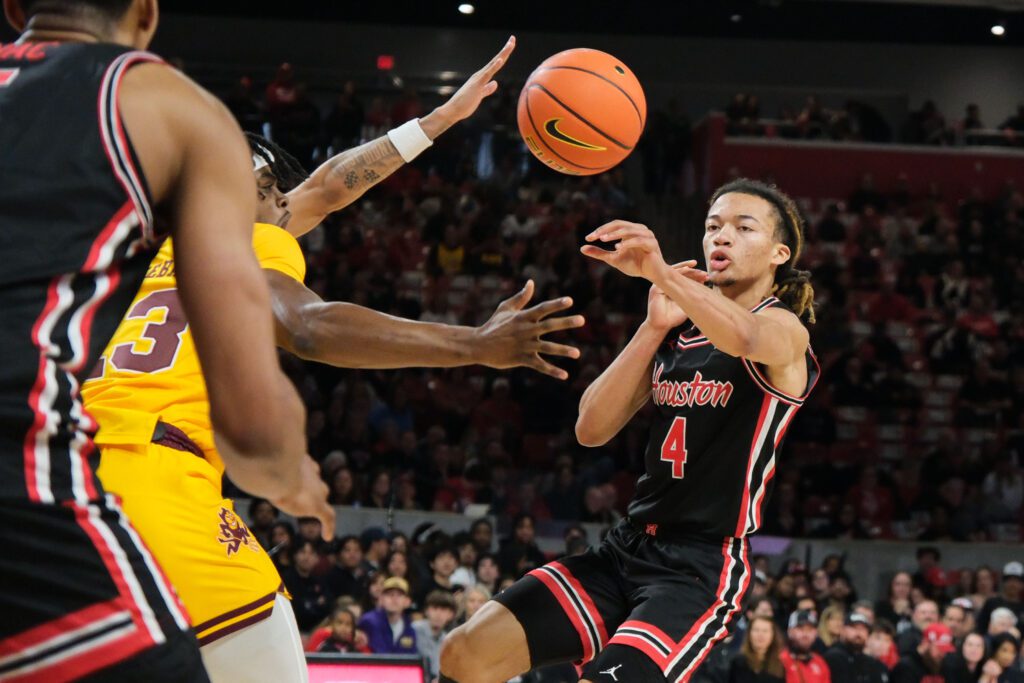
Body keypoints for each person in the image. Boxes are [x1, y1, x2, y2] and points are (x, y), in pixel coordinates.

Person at [81, 32, 583, 682]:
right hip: (157, 482)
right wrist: (474, 343)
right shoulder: (246, 241)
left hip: (68, 478)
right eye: (272, 190)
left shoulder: (143, 255)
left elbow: (327, 188)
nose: (287, 202)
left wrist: (437, 121)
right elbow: (310, 327)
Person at [0, 1, 324, 680]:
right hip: (33, 476)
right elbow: (261, 420)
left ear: (13, 9)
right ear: (146, 14)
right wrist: (289, 474)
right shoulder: (163, 107)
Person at [442, 178, 819, 683]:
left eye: (742, 228)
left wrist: (659, 270)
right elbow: (590, 429)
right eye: (713, 226)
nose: (721, 236)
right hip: (626, 546)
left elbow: (744, 337)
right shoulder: (679, 333)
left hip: (698, 567)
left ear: (779, 253)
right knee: (464, 652)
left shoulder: (784, 328)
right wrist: (652, 327)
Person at [358, 577, 417, 655]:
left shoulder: (410, 628)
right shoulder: (369, 622)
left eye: (399, 595)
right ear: (381, 599)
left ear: (407, 601)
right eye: (389, 594)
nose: (394, 599)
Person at [824, 613, 889, 683]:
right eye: (854, 628)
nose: (858, 632)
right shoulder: (834, 657)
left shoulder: (871, 662)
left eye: (863, 629)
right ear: (842, 630)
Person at [413, 591, 458, 681]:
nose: (438, 614)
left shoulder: (448, 640)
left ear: (451, 615)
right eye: (435, 608)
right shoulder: (414, 630)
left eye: (443, 610)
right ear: (426, 611)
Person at [891, 623, 956, 683]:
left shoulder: (943, 665)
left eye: (946, 651)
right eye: (940, 650)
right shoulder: (906, 667)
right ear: (925, 644)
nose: (943, 655)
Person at [729, 616, 786, 683]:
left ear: (773, 635)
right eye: (756, 630)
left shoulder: (782, 664)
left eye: (765, 631)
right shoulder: (737, 662)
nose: (760, 634)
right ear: (749, 633)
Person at [782, 610, 832, 683]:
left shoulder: (820, 663)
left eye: (810, 629)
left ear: (816, 633)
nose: (805, 634)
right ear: (790, 632)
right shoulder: (781, 661)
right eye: (800, 629)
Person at [979, 562, 1024, 634]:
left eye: (1017, 580)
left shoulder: (1022, 608)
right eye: (1009, 580)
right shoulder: (991, 603)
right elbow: (981, 629)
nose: (1013, 584)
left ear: (1022, 584)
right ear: (1003, 582)